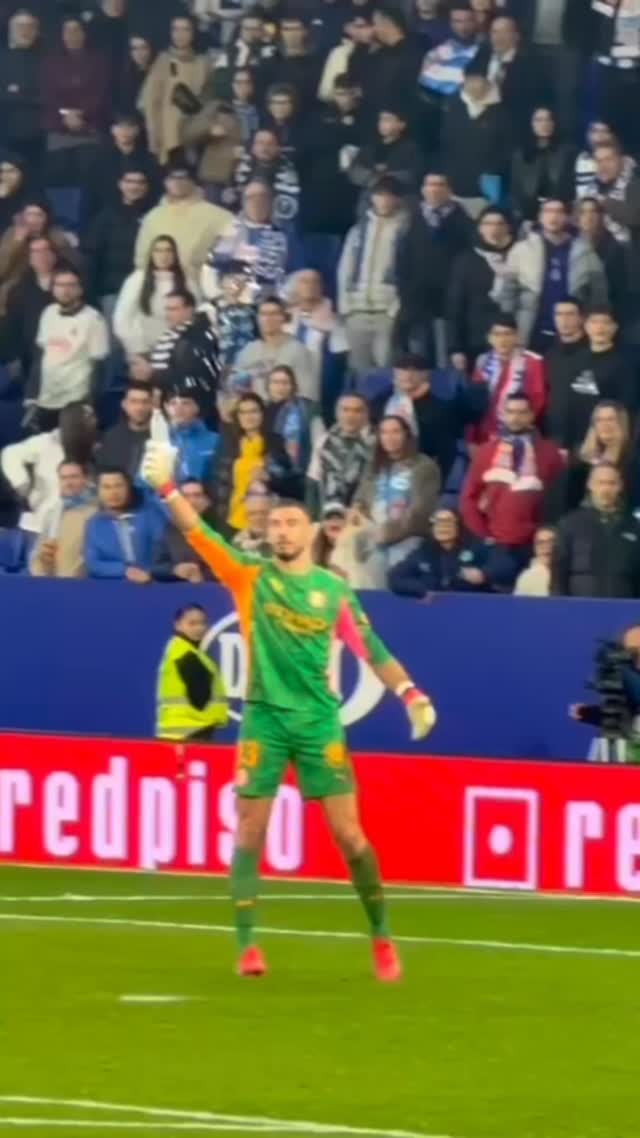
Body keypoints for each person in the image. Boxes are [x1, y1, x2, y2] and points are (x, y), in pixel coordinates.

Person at [142, 439, 437, 980]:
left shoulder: (333, 591)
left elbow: (372, 649)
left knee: (350, 837)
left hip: (319, 721)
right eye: (273, 523)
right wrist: (164, 486)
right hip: (263, 717)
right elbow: (199, 535)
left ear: (310, 533)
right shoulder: (250, 576)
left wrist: (411, 695)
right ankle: (248, 945)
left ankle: (381, 935)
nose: (280, 531)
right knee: (250, 831)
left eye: (290, 523)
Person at [461, 393, 566, 589]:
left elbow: (558, 499)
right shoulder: (486, 452)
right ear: (502, 414)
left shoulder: (550, 453)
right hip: (495, 544)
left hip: (533, 545)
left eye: (521, 412)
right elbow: (469, 498)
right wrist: (483, 534)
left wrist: (544, 535)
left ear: (532, 415)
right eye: (510, 412)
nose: (515, 418)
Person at [500, 199, 608, 351]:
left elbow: (599, 294)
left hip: (573, 333)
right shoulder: (521, 250)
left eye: (559, 212)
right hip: (531, 330)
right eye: (548, 212)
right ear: (540, 217)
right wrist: (508, 328)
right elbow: (507, 293)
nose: (554, 217)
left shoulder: (584, 251)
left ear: (567, 217)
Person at [352, 413, 441, 582]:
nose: (389, 437)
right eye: (384, 432)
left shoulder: (424, 467)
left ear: (407, 435)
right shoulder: (374, 466)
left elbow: (420, 512)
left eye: (395, 432)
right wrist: (357, 512)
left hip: (407, 540)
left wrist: (388, 533)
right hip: (372, 538)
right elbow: (360, 498)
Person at [395, 172, 473, 365]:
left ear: (449, 190)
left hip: (449, 301)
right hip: (415, 300)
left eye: (440, 185)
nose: (435, 189)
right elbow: (401, 259)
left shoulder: (464, 221)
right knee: (417, 356)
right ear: (422, 189)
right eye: (430, 184)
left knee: (445, 356)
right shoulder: (410, 219)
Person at [337, 175, 405, 377]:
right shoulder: (358, 231)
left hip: (386, 313)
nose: (384, 200)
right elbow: (344, 268)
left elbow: (407, 273)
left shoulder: (404, 230)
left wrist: (394, 310)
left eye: (389, 196)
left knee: (386, 370)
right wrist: (346, 307)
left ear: (397, 200)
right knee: (359, 370)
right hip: (357, 311)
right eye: (379, 195)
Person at [382, 353, 485, 483]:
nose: (408, 376)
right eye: (403, 371)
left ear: (426, 375)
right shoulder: (383, 402)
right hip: (385, 471)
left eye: (415, 371)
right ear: (395, 374)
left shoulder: (442, 409)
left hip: (423, 474)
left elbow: (444, 453)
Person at [546, 304, 636, 452]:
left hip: (600, 442)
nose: (600, 328)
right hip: (566, 440)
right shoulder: (574, 358)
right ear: (586, 326)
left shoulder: (623, 364)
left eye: (606, 322)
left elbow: (624, 408)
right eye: (594, 322)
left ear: (615, 327)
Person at [2, 401, 97, 538]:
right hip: (42, 523)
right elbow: (10, 453)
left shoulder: (95, 449)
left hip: (79, 526)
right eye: (88, 417)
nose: (93, 421)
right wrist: (21, 482)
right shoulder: (47, 442)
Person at [28, 269, 109, 430]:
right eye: (60, 285)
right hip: (47, 398)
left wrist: (90, 403)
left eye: (71, 285)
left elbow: (99, 365)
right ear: (53, 289)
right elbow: (42, 355)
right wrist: (32, 393)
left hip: (75, 400)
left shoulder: (94, 319)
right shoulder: (48, 313)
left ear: (80, 289)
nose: (65, 290)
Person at [211, 391, 299, 528]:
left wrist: (270, 478)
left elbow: (293, 484)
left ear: (262, 414)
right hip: (233, 520)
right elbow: (219, 484)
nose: (249, 417)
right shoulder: (229, 444)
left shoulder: (274, 443)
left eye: (254, 411)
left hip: (268, 520)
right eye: (243, 412)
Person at [551, 463, 640, 598]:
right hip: (581, 607)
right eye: (600, 483)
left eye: (611, 483)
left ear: (620, 486)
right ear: (590, 485)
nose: (605, 489)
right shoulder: (569, 524)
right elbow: (558, 573)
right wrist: (560, 608)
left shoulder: (634, 526)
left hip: (624, 608)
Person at [135, 162, 235, 280]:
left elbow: (233, 254)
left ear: (192, 181)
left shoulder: (220, 217)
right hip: (159, 287)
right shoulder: (153, 217)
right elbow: (142, 259)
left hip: (201, 290)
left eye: (183, 177)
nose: (177, 182)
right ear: (165, 182)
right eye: (172, 178)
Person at [42, 16, 110, 185]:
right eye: (68, 30)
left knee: (89, 181)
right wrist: (66, 115)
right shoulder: (49, 61)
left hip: (90, 128)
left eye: (76, 30)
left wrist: (81, 114)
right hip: (58, 129)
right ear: (61, 35)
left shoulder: (99, 60)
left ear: (84, 33)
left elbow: (101, 92)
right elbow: (48, 93)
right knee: (59, 182)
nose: (72, 34)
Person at [545, 400, 637, 522]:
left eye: (611, 419)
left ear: (621, 423)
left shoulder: (633, 458)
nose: (605, 425)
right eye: (599, 420)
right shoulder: (580, 458)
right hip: (585, 523)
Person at [137, 14, 211, 166]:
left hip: (195, 135)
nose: (180, 35)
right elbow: (148, 102)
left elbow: (208, 99)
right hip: (168, 136)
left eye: (186, 30)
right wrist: (154, 136)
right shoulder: (163, 60)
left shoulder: (204, 63)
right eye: (176, 30)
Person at [447, 207, 513, 371]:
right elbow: (455, 306)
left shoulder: (519, 256)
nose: (494, 228)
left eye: (500, 223)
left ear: (508, 227)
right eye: (488, 223)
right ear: (480, 228)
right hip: (475, 342)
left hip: (514, 342)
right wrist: (456, 348)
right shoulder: (466, 261)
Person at [83, 166, 153, 319]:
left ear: (146, 187)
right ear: (120, 184)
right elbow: (92, 255)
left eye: (140, 182)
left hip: (145, 291)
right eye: (129, 181)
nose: (134, 186)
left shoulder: (155, 216)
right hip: (112, 291)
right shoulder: (104, 217)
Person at [439, 67, 508, 219]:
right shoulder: (452, 104)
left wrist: (491, 179)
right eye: (469, 80)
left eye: (477, 80)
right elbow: (445, 143)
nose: (473, 85)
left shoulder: (501, 109)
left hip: (487, 185)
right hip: (454, 182)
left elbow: (505, 150)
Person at [201, 181, 288, 301]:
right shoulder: (228, 233)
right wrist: (226, 286)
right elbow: (211, 273)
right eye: (251, 198)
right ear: (244, 202)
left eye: (262, 198)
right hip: (232, 301)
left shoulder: (284, 236)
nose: (257, 203)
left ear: (271, 202)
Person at [469, 315, 547, 445]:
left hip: (522, 436)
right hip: (486, 439)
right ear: (489, 338)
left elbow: (537, 403)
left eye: (507, 334)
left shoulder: (533, 363)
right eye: (497, 334)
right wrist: (472, 439)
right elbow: (474, 405)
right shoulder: (483, 362)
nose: (502, 340)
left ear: (517, 337)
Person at [156, 604, 228, 742]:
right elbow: (200, 696)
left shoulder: (183, 650)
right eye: (192, 623)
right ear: (178, 625)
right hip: (190, 734)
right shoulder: (184, 653)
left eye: (202, 623)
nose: (199, 628)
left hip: (182, 733)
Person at [114, 234, 191, 360]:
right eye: (158, 251)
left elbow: (193, 317)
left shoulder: (187, 281)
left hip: (176, 353)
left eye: (168, 250)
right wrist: (139, 350)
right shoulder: (138, 279)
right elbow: (121, 319)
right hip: (143, 352)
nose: (163, 255)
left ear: (175, 254)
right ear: (151, 254)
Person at [85, 466, 163, 581]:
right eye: (107, 487)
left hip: (151, 585)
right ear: (98, 491)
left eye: (119, 486)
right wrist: (126, 570)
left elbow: (163, 554)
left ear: (129, 488)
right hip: (110, 589)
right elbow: (93, 563)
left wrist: (149, 573)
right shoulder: (94, 524)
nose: (113, 492)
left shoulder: (149, 516)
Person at [233, 295, 316, 401]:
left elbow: (306, 394)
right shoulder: (248, 351)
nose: (267, 319)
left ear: (283, 317)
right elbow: (236, 390)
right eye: (263, 314)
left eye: (273, 314)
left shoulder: (298, 351)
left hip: (286, 412)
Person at [389, 507, 487, 596]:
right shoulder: (424, 550)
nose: (443, 527)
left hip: (471, 608)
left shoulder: (474, 546)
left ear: (458, 526)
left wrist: (484, 574)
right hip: (435, 609)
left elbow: (499, 562)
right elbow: (395, 577)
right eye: (438, 522)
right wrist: (421, 590)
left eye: (448, 522)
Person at [306, 392, 373, 516]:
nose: (350, 416)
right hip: (329, 513)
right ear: (337, 413)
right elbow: (313, 482)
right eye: (345, 410)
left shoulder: (376, 443)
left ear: (366, 415)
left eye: (357, 411)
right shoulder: (324, 441)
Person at [29, 459, 96, 578]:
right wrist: (42, 559)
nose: (68, 482)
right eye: (63, 478)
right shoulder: (52, 513)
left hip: (84, 586)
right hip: (53, 584)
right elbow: (38, 553)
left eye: (74, 477)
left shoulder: (97, 513)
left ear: (87, 479)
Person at [509, 107, 576, 225]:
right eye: (539, 120)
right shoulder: (520, 155)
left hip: (561, 215)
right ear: (531, 124)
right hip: (529, 216)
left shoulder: (568, 152)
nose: (544, 124)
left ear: (554, 123)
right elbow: (517, 190)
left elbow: (571, 188)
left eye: (548, 119)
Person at [178, 82, 243, 199]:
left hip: (243, 174)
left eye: (246, 83)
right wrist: (208, 130)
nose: (242, 87)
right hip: (215, 176)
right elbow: (188, 135)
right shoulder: (214, 107)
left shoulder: (259, 108)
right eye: (238, 83)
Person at [347, 105, 424, 202]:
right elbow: (354, 170)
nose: (382, 123)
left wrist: (386, 178)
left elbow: (413, 174)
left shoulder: (411, 148)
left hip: (399, 198)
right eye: (381, 120)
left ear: (402, 124)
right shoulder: (369, 146)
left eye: (387, 120)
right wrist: (373, 178)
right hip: (368, 197)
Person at [0, 9, 44, 175]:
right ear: (11, 29)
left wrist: (16, 93)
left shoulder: (46, 59)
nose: (25, 31)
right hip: (5, 135)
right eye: (20, 26)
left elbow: (48, 95)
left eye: (30, 26)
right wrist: (28, 96)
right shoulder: (1, 58)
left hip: (38, 137)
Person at [153, 478, 220, 582]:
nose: (191, 501)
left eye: (197, 495)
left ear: (208, 501)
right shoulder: (170, 530)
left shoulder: (221, 530)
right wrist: (174, 570)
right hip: (179, 592)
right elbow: (156, 566)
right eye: (185, 496)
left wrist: (203, 575)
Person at [232, 129, 300, 228]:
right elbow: (236, 192)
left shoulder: (286, 169)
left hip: (275, 224)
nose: (264, 148)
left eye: (270, 144)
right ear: (253, 147)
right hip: (243, 221)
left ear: (278, 147)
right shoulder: (246, 163)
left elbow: (288, 206)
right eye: (260, 143)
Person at [575, 197, 628, 323]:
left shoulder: (615, 249)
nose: (589, 216)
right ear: (577, 218)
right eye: (584, 212)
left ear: (601, 216)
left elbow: (619, 293)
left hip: (606, 318)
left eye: (593, 212)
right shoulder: (572, 246)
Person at [97, 382, 154, 481]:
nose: (139, 408)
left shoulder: (163, 436)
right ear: (124, 405)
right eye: (134, 401)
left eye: (145, 402)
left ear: (152, 405)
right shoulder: (111, 438)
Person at [166, 380, 219, 483]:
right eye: (173, 403)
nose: (178, 408)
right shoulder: (156, 442)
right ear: (167, 408)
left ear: (197, 407)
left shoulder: (215, 441)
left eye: (185, 403)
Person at [513, 526, 555, 597]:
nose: (546, 546)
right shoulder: (527, 577)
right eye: (540, 543)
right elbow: (518, 606)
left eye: (551, 542)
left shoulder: (568, 574)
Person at [232, 489, 272, 555]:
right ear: (246, 517)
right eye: (253, 513)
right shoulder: (237, 544)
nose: (258, 518)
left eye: (263, 513)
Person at [311, 501, 347, 569]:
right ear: (322, 525)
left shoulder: (354, 549)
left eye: (339, 517)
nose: (334, 520)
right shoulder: (314, 548)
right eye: (329, 517)